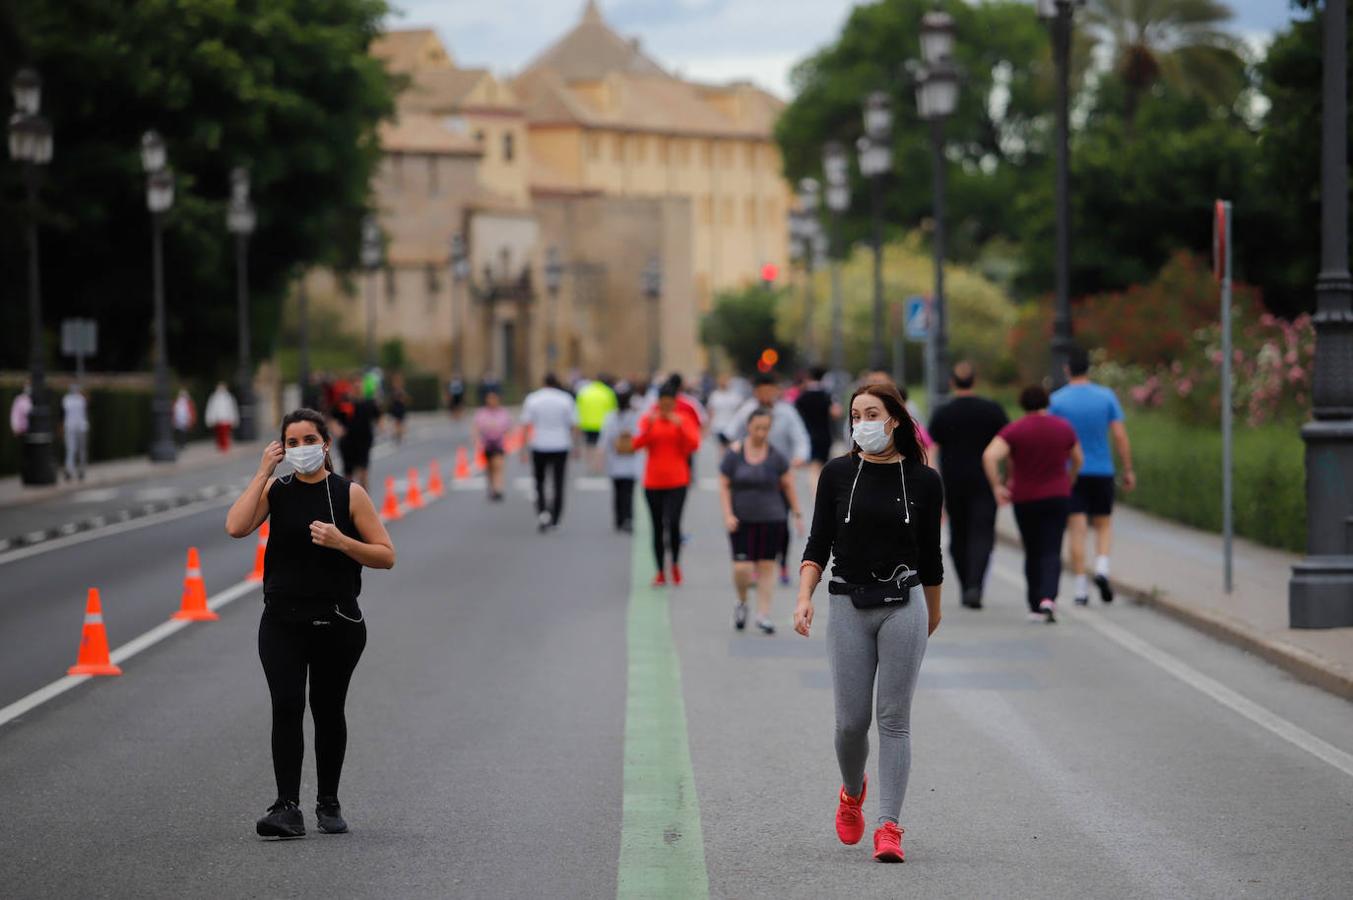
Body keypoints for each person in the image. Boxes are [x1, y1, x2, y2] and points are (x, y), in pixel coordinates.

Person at [225, 409, 395, 838]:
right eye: (292, 442)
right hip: (281, 620)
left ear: (325, 444)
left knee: (327, 708)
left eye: (308, 440)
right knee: (285, 705)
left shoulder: (348, 494)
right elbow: (235, 526)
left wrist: (342, 541)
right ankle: (286, 806)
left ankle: (328, 802)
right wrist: (262, 471)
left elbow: (385, 555)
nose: (301, 450)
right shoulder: (276, 490)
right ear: (282, 447)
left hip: (337, 620)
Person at [793, 381, 944, 864]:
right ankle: (851, 792)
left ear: (895, 419)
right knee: (850, 724)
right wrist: (804, 597)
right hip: (847, 605)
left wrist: (932, 614)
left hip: (904, 603)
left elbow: (932, 557)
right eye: (856, 415)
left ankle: (889, 826)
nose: (863, 423)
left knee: (894, 720)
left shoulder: (924, 480)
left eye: (872, 413)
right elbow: (818, 543)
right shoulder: (837, 474)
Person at [982, 385, 1082, 624]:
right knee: (1052, 548)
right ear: (1047, 402)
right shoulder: (1063, 427)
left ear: (1022, 404)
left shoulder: (1015, 430)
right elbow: (1078, 458)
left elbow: (989, 456)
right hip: (1058, 495)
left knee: (1032, 549)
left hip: (1025, 498)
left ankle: (1035, 604)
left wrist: (997, 486)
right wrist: (1069, 480)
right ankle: (1049, 598)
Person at [1050, 346, 1136, 606]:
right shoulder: (1106, 396)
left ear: (1067, 370)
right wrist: (1128, 468)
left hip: (1072, 473)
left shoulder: (1057, 400)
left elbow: (1053, 438)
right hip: (1102, 470)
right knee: (1103, 524)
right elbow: (1120, 435)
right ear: (1089, 369)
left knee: (1076, 529)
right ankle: (1101, 567)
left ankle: (1080, 589)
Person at [927, 362, 1009, 609]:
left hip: (953, 481)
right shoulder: (992, 410)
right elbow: (1008, 443)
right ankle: (975, 584)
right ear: (975, 381)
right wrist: (1008, 477)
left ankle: (966, 583)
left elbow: (932, 448)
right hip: (985, 480)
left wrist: (933, 479)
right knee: (982, 534)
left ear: (952, 382)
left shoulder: (943, 412)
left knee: (959, 534)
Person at [720, 407, 803, 634]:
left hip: (772, 517)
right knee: (742, 568)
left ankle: (763, 614)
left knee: (767, 566)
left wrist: (797, 513)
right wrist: (728, 514)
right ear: (748, 427)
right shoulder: (734, 455)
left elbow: (788, 485)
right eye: (757, 428)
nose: (761, 432)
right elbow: (724, 485)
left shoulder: (776, 456)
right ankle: (742, 601)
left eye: (765, 428)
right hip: (741, 519)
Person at [723, 373, 811, 583]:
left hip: (780, 477)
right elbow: (730, 433)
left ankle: (781, 564)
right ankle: (754, 563)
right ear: (756, 392)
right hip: (752, 476)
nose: (766, 395)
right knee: (753, 523)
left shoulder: (787, 412)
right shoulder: (747, 410)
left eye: (770, 390)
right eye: (762, 391)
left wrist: (800, 456)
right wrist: (735, 447)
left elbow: (801, 437)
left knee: (780, 522)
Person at [634, 383, 701, 586]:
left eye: (669, 404)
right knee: (656, 527)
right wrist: (650, 427)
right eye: (661, 404)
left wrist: (679, 424)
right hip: (653, 481)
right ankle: (660, 571)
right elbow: (637, 444)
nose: (665, 408)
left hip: (677, 480)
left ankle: (675, 565)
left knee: (673, 524)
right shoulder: (649, 419)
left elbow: (693, 444)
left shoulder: (683, 419)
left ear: (674, 404)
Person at [520, 373, 579, 532]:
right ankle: (556, 518)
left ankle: (542, 513)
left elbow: (526, 425)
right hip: (561, 444)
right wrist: (576, 446)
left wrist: (523, 448)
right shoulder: (565, 399)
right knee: (558, 482)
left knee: (539, 481)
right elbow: (574, 424)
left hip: (539, 444)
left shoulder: (533, 398)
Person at [597, 387, 643, 532]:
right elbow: (640, 437)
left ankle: (618, 519)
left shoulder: (610, 417)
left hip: (615, 460)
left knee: (617, 492)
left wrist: (600, 458)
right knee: (628, 492)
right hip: (630, 461)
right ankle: (628, 518)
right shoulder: (635, 417)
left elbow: (603, 440)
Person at [795, 366, 841, 493]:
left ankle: (817, 496)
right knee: (821, 467)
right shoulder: (827, 395)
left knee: (813, 468)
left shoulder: (802, 397)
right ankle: (820, 495)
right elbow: (836, 413)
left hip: (808, 435)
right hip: (825, 435)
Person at [331, 384, 381, 491]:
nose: (357, 389)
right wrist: (337, 429)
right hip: (347, 442)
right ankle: (347, 500)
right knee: (348, 474)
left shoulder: (369, 404)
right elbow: (333, 418)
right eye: (355, 386)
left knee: (363, 472)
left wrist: (381, 426)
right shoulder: (344, 403)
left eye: (359, 386)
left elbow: (378, 416)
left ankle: (364, 500)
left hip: (364, 441)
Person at [472, 388, 513, 502]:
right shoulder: (482, 413)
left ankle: (498, 489)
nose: (492, 401)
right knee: (489, 467)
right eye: (489, 398)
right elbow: (476, 427)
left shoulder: (503, 412)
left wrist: (507, 439)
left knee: (498, 466)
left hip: (498, 443)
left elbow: (508, 427)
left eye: (494, 398)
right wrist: (476, 441)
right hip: (486, 444)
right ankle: (491, 487)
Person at [575, 376, 618, 449]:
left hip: (586, 423)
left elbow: (578, 408)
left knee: (589, 445)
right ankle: (596, 459)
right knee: (599, 446)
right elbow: (613, 409)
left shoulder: (585, 391)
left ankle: (589, 459)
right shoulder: (608, 392)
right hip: (602, 424)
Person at [706, 374, 745, 450]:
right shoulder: (715, 395)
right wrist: (708, 427)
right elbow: (711, 412)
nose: (723, 382)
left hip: (731, 426)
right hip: (718, 427)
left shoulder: (735, 395)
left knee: (731, 448)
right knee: (722, 448)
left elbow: (740, 411)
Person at [61, 383, 90, 482]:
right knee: (78, 450)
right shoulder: (81, 399)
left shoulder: (67, 399)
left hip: (72, 427)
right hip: (78, 427)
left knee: (72, 449)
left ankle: (71, 470)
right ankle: (78, 470)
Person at [205, 382, 240, 452]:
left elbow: (232, 408)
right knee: (219, 435)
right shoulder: (214, 397)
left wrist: (234, 418)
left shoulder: (228, 397)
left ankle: (225, 447)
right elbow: (211, 408)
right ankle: (222, 447)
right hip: (218, 419)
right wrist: (210, 419)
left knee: (225, 435)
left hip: (226, 419)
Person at [386, 374, 409, 445]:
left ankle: (398, 434)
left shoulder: (400, 390)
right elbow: (393, 400)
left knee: (399, 422)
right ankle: (398, 434)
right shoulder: (395, 391)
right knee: (397, 422)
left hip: (399, 407)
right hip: (396, 407)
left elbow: (404, 399)